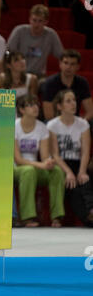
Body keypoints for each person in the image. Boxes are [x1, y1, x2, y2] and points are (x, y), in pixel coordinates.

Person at [14, 94, 65, 227]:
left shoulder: (42, 127)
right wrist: (41, 164)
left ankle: (57, 217)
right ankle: (27, 218)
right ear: (21, 110)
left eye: (36, 104)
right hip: (16, 168)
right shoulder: (14, 126)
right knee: (28, 171)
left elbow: (44, 156)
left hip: (35, 166)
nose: (35, 107)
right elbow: (18, 159)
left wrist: (48, 162)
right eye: (30, 105)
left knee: (56, 171)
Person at [47, 90, 93, 227]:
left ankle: (91, 211)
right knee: (73, 189)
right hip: (61, 163)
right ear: (59, 106)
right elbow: (55, 154)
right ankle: (86, 217)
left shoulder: (83, 124)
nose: (73, 103)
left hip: (78, 162)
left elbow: (85, 152)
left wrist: (82, 171)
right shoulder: (52, 125)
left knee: (84, 181)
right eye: (68, 101)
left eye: (74, 100)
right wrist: (68, 172)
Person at [7, 4, 63, 78]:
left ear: (46, 22)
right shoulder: (19, 31)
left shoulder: (51, 35)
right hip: (17, 73)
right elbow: (8, 52)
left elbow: (61, 55)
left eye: (40, 21)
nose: (36, 24)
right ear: (29, 19)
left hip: (39, 75)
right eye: (34, 20)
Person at [42, 49, 93, 122]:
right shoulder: (50, 83)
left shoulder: (82, 82)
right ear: (60, 64)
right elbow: (48, 115)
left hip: (75, 121)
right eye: (66, 63)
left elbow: (90, 111)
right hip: (55, 122)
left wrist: (82, 124)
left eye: (72, 64)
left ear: (78, 67)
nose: (68, 67)